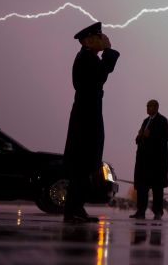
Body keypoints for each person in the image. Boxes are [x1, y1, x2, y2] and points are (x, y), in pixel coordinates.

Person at [63, 22, 120, 223]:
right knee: (81, 163)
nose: (101, 40)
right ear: (87, 40)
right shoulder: (86, 58)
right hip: (86, 115)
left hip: (88, 112)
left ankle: (76, 208)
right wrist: (109, 51)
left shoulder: (87, 57)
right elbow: (102, 74)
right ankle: (72, 210)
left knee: (85, 164)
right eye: (98, 37)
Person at [130, 99, 168, 221]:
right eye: (147, 106)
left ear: (157, 107)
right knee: (142, 187)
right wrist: (140, 136)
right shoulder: (145, 121)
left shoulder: (163, 121)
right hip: (144, 160)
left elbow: (166, 138)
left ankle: (158, 212)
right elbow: (140, 139)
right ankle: (140, 211)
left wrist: (150, 135)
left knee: (157, 188)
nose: (148, 108)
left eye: (150, 106)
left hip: (157, 160)